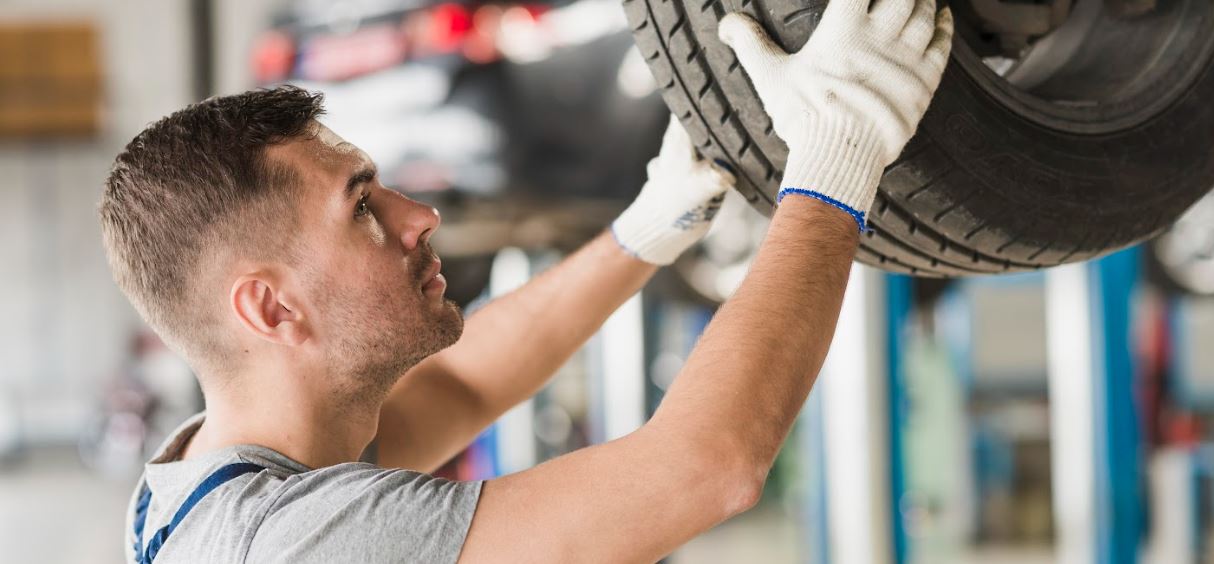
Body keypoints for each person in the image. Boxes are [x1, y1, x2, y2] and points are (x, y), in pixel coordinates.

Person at [100, 0, 952, 561]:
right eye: (362, 208)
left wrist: (645, 230)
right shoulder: (296, 547)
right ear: (271, 306)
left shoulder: (210, 480)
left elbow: (465, 384)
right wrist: (839, 154)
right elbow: (706, 466)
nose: (419, 215)